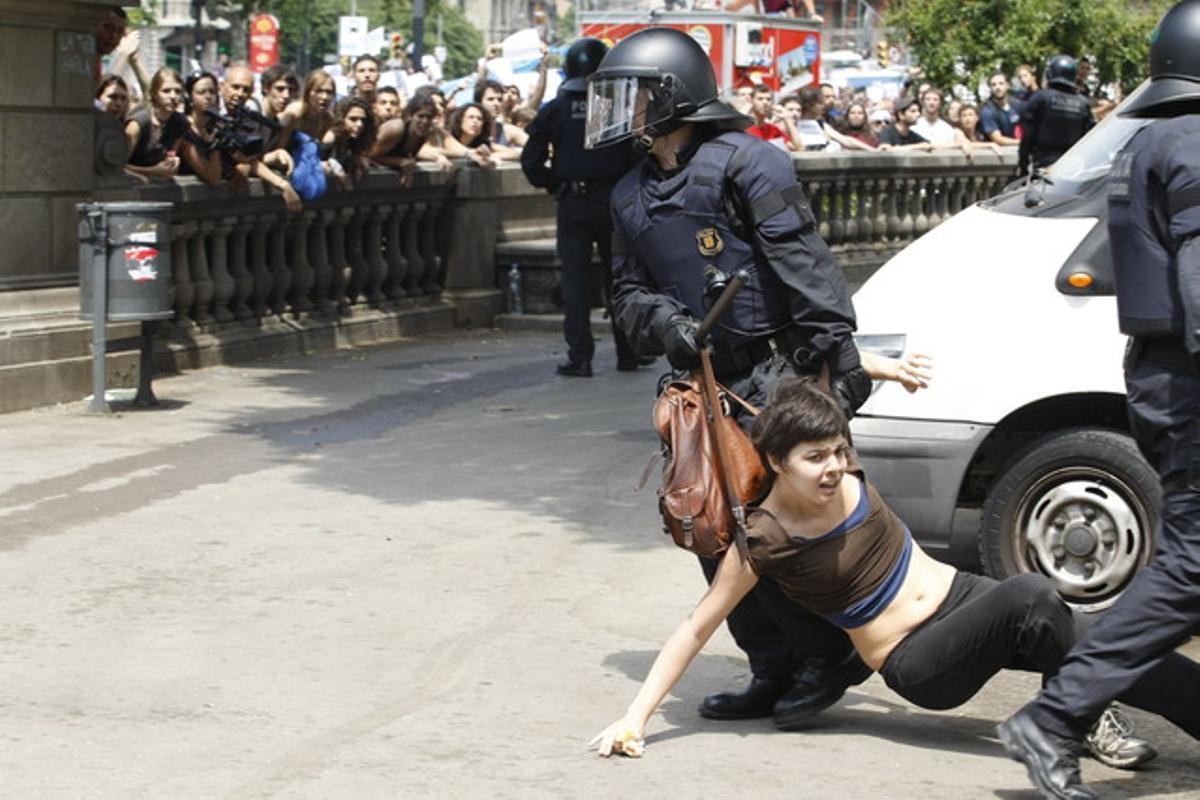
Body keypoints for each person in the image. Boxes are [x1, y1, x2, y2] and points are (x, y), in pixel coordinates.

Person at [590, 378, 1195, 766]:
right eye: (815, 457)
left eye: (838, 451)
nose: (834, 468)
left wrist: (882, 366)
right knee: (1035, 594)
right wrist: (634, 717)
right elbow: (697, 626)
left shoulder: (842, 468)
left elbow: (832, 371)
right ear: (777, 461)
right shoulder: (764, 538)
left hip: (964, 600)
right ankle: (1071, 716)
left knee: (1108, 640)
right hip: (920, 658)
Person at [587, 26, 879, 729]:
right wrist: (668, 325)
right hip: (701, 388)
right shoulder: (629, 192)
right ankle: (770, 668)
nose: (624, 112)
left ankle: (825, 660)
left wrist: (836, 367)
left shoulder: (751, 164)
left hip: (776, 373)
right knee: (713, 529)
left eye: (636, 97)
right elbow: (625, 295)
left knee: (774, 534)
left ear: (673, 97)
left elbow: (806, 266)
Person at [999, 3, 1200, 797]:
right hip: (1189, 385)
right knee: (1191, 568)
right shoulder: (1194, 146)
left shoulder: (1152, 140)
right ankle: (1055, 717)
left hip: (1163, 376)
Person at [520, 37, 647, 378]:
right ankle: (628, 353)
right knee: (621, 280)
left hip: (573, 202)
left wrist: (554, 182)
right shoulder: (619, 109)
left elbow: (530, 160)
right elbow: (640, 159)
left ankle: (580, 357)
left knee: (575, 283)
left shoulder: (556, 108)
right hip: (613, 205)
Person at [1017, 55, 1094, 176]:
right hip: (1074, 168)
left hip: (1044, 166)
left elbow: (1028, 136)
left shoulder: (1040, 98)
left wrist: (1023, 166)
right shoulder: (1083, 104)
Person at [122, 68, 187, 182]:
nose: (173, 96)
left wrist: (172, 163)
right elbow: (117, 166)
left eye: (177, 91)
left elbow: (170, 154)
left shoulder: (180, 123)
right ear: (155, 94)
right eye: (166, 91)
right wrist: (151, 171)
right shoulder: (137, 124)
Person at [322, 97, 376, 185]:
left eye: (363, 120)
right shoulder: (331, 137)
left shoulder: (359, 138)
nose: (359, 124)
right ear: (342, 119)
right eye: (353, 119)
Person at [980, 71, 1022, 146]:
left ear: (1007, 85)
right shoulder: (987, 110)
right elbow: (998, 139)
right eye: (994, 85)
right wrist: (1023, 142)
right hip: (998, 154)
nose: (997, 87)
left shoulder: (1017, 104)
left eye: (1001, 83)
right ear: (990, 88)